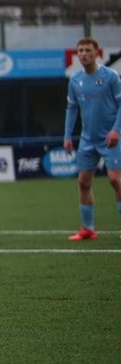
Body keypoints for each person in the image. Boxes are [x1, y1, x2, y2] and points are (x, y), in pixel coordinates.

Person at [63, 36, 121, 241]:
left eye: (88, 50)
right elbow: (71, 108)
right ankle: (87, 229)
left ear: (97, 53)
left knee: (115, 180)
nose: (84, 54)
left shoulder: (111, 77)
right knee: (83, 182)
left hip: (112, 138)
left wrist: (116, 130)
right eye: (80, 51)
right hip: (87, 140)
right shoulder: (75, 79)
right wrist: (67, 135)